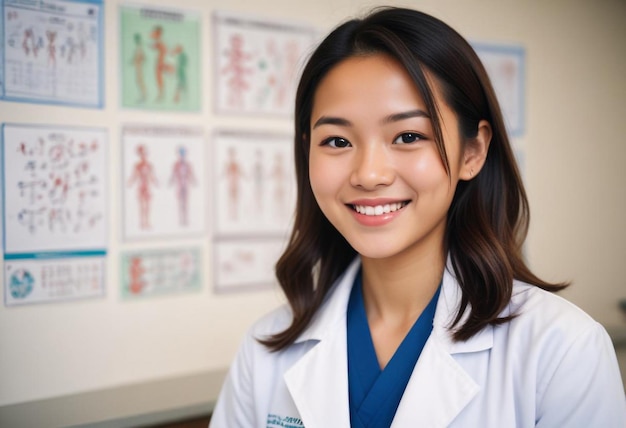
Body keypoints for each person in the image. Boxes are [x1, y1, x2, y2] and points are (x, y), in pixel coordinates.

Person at [210, 7, 626, 427]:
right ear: (307, 150)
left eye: (409, 136)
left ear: (473, 151)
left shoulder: (562, 350)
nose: (369, 174)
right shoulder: (265, 351)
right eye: (336, 140)